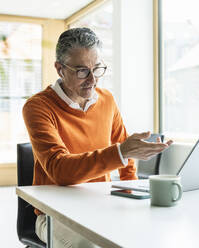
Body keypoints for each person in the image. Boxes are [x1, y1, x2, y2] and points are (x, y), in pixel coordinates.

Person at [22, 27, 173, 248]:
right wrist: (121, 152)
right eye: (82, 71)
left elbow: (126, 155)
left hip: (102, 206)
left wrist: (129, 194)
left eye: (97, 68)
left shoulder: (107, 100)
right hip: (54, 215)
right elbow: (60, 170)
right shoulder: (38, 107)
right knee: (91, 245)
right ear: (59, 69)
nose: (93, 80)